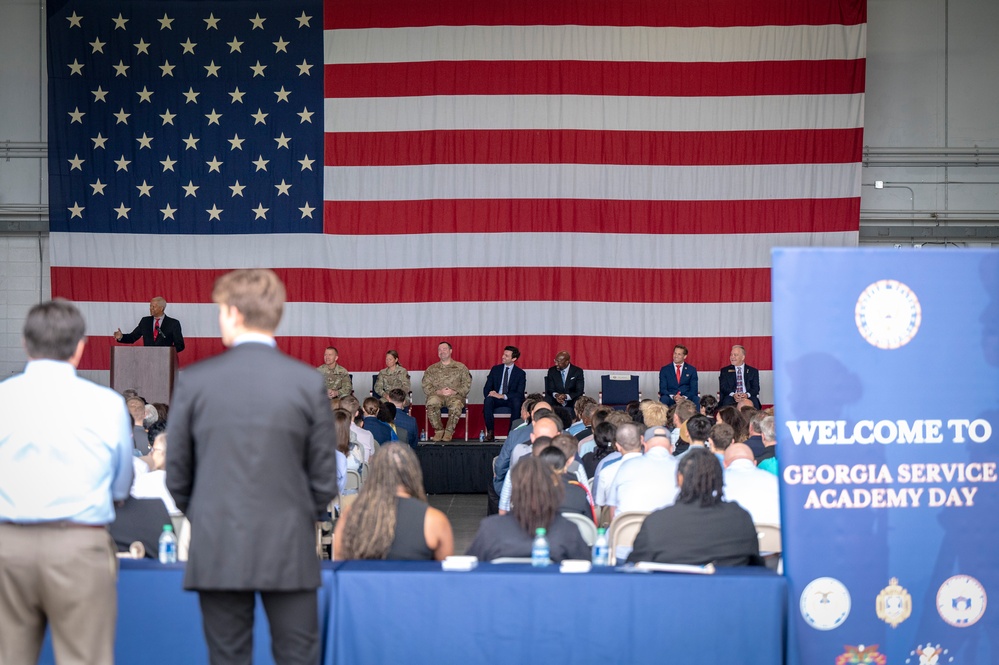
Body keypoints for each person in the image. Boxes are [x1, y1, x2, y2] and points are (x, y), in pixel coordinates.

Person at [166, 269, 338, 665]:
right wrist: (298, 516)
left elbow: (176, 472)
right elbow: (324, 477)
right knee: (298, 656)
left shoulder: (195, 381)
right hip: (289, 543)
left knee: (227, 657)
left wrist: (208, 514)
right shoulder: (306, 382)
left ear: (232, 312)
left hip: (218, 542)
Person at [0, 300, 133, 664]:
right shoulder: (106, 404)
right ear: (79, 348)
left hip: (7, 548)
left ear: (26, 345)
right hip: (78, 546)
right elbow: (121, 485)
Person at [627, 447, 763, 567]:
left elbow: (633, 568)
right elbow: (754, 568)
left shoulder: (656, 522)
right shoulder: (740, 518)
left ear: (679, 479)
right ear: (719, 478)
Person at [335, 443, 453, 560]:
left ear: (374, 472)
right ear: (413, 473)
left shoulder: (350, 515)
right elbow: (444, 573)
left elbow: (339, 563)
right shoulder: (434, 520)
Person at [466, 456, 589, 563]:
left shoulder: (490, 529)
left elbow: (470, 574)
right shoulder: (569, 531)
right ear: (553, 490)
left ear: (514, 492)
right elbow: (589, 577)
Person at [421, 341, 471, 441]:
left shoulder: (461, 367)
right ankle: (439, 431)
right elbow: (426, 386)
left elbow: (467, 385)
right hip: (437, 395)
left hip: (455, 396)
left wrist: (454, 391)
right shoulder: (432, 369)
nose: (442, 351)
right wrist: (438, 392)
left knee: (456, 405)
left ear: (450, 351)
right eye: (439, 350)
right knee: (431, 403)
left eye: (444, 349)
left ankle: (448, 432)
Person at [722, 443, 780, 526]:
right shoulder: (774, 481)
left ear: (724, 464)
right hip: (771, 536)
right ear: (755, 463)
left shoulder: (717, 482)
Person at [481, 345, 527, 441]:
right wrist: (491, 393)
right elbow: (486, 388)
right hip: (496, 399)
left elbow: (519, 393)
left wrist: (503, 396)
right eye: (503, 354)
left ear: (514, 358)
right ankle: (490, 432)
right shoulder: (495, 369)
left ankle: (512, 433)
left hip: (510, 399)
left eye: (506, 355)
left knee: (517, 402)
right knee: (488, 400)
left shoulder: (520, 373)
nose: (503, 357)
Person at [114, 296, 185, 352]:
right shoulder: (145, 321)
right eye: (150, 306)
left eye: (153, 306)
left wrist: (167, 350)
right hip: (147, 360)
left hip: (165, 361)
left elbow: (180, 345)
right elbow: (132, 337)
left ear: (161, 308)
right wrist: (121, 337)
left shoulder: (173, 323)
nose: (151, 308)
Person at [718, 345, 762, 409]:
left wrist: (746, 395)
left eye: (735, 355)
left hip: (748, 396)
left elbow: (756, 388)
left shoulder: (753, 371)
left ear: (742, 357)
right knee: (726, 402)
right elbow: (723, 387)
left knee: (755, 403)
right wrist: (733, 394)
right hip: (731, 396)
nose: (732, 357)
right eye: (731, 355)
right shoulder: (725, 371)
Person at [659, 344, 699, 410]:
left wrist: (683, 397)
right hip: (671, 398)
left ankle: (696, 420)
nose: (676, 356)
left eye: (679, 354)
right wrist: (674, 396)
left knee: (696, 399)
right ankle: (662, 420)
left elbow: (694, 389)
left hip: (686, 398)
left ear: (685, 356)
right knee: (664, 399)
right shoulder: (665, 370)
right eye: (675, 353)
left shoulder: (691, 370)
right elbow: (663, 389)